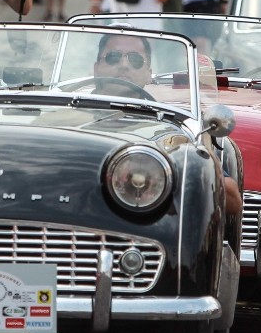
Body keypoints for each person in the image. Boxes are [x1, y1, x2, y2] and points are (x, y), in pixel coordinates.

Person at [93, 33, 242, 214]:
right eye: (113, 57)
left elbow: (232, 198)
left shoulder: (171, 129)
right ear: (96, 68)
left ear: (148, 73)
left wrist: (167, 177)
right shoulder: (60, 119)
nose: (124, 65)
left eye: (135, 60)